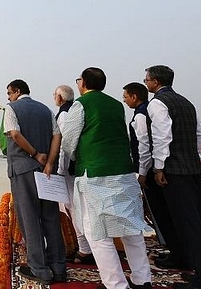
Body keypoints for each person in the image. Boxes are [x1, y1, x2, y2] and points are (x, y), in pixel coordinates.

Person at [62, 68, 152, 289]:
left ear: (83, 83)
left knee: (97, 231)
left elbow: (69, 141)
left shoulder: (81, 105)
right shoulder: (116, 105)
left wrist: (81, 157)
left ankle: (115, 284)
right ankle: (142, 279)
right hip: (123, 172)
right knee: (131, 228)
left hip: (95, 174)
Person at [144, 65, 201, 289]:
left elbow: (162, 137)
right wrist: (190, 155)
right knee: (198, 222)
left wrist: (159, 167)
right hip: (193, 169)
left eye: (147, 79)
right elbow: (199, 134)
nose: (145, 82)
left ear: (156, 82)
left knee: (189, 225)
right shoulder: (186, 102)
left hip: (175, 171)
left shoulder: (157, 103)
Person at [4, 79, 67, 285]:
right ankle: (58, 267)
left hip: (24, 170)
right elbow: (57, 136)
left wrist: (34, 154)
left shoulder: (11, 109)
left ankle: (39, 268)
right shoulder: (46, 110)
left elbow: (14, 133)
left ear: (17, 91)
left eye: (9, 93)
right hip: (47, 172)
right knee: (50, 216)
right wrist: (49, 162)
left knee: (29, 218)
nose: (8, 97)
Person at [123, 82, 187, 270]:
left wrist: (143, 173)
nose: (125, 100)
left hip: (151, 171)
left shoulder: (142, 115)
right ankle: (178, 250)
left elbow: (144, 147)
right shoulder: (146, 111)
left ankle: (177, 253)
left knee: (162, 214)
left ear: (134, 97)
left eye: (126, 96)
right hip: (160, 168)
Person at [54, 84, 94, 265]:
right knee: (82, 206)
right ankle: (89, 246)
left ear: (60, 98)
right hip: (81, 166)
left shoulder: (63, 114)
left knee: (73, 207)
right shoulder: (77, 109)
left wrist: (60, 170)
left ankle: (85, 248)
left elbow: (63, 144)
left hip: (69, 169)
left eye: (55, 95)